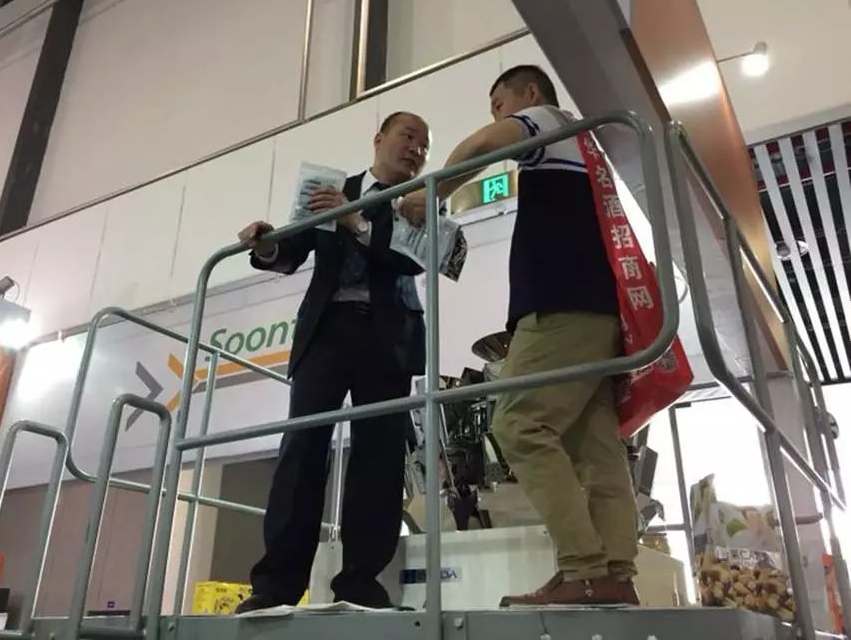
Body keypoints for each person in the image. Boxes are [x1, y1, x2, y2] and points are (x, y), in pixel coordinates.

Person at [399, 66, 639, 606]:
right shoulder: (585, 145)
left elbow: (483, 145)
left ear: (529, 94)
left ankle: (582, 567)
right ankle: (614, 574)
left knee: (518, 425)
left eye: (499, 103)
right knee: (595, 445)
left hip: (560, 305)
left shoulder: (547, 120)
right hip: (598, 310)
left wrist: (430, 193)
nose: (497, 116)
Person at [235, 111, 431, 611]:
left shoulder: (422, 200)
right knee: (301, 449)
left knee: (379, 457)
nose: (416, 149)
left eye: (425, 145)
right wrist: (267, 244)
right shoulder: (329, 189)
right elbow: (292, 251)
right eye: (409, 136)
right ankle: (276, 585)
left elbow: (414, 260)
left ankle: (361, 582)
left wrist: (355, 221)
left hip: (389, 336)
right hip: (326, 331)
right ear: (379, 138)